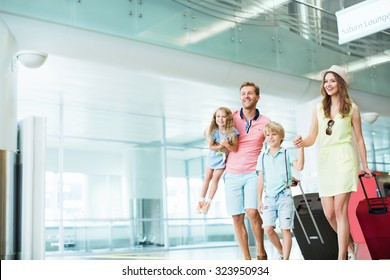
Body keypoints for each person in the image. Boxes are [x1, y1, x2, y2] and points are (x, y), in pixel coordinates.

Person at [292, 65, 372, 260]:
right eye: (326, 81)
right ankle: (351, 247)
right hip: (326, 162)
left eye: (332, 80)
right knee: (329, 214)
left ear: (341, 84)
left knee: (340, 209)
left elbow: (359, 138)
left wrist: (365, 164)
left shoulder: (352, 108)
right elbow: (312, 137)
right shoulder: (318, 109)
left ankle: (341, 257)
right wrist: (302, 142)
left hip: (345, 159)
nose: (328, 84)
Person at [223, 81, 270, 260]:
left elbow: (274, 146)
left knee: (251, 212)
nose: (246, 96)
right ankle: (246, 259)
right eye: (243, 93)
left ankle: (260, 250)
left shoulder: (266, 122)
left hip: (252, 173)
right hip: (232, 174)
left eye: (250, 93)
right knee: (237, 217)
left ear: (257, 97)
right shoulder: (231, 117)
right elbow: (210, 130)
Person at [257, 121, 304, 260]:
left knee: (285, 230)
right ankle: (281, 251)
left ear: (281, 136)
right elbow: (260, 179)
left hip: (284, 196)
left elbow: (300, 166)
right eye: (268, 135)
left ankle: (286, 260)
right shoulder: (263, 156)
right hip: (269, 198)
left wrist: (301, 148)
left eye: (274, 134)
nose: (270, 137)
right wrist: (259, 199)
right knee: (268, 228)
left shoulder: (287, 153)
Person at [196, 107, 239, 214]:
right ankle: (201, 201)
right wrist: (222, 146)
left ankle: (208, 204)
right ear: (215, 118)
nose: (220, 119)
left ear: (228, 118)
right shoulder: (214, 131)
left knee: (215, 179)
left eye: (223, 116)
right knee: (207, 178)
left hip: (222, 161)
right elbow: (211, 147)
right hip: (212, 158)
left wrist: (226, 145)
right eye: (218, 116)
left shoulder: (232, 132)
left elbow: (235, 148)